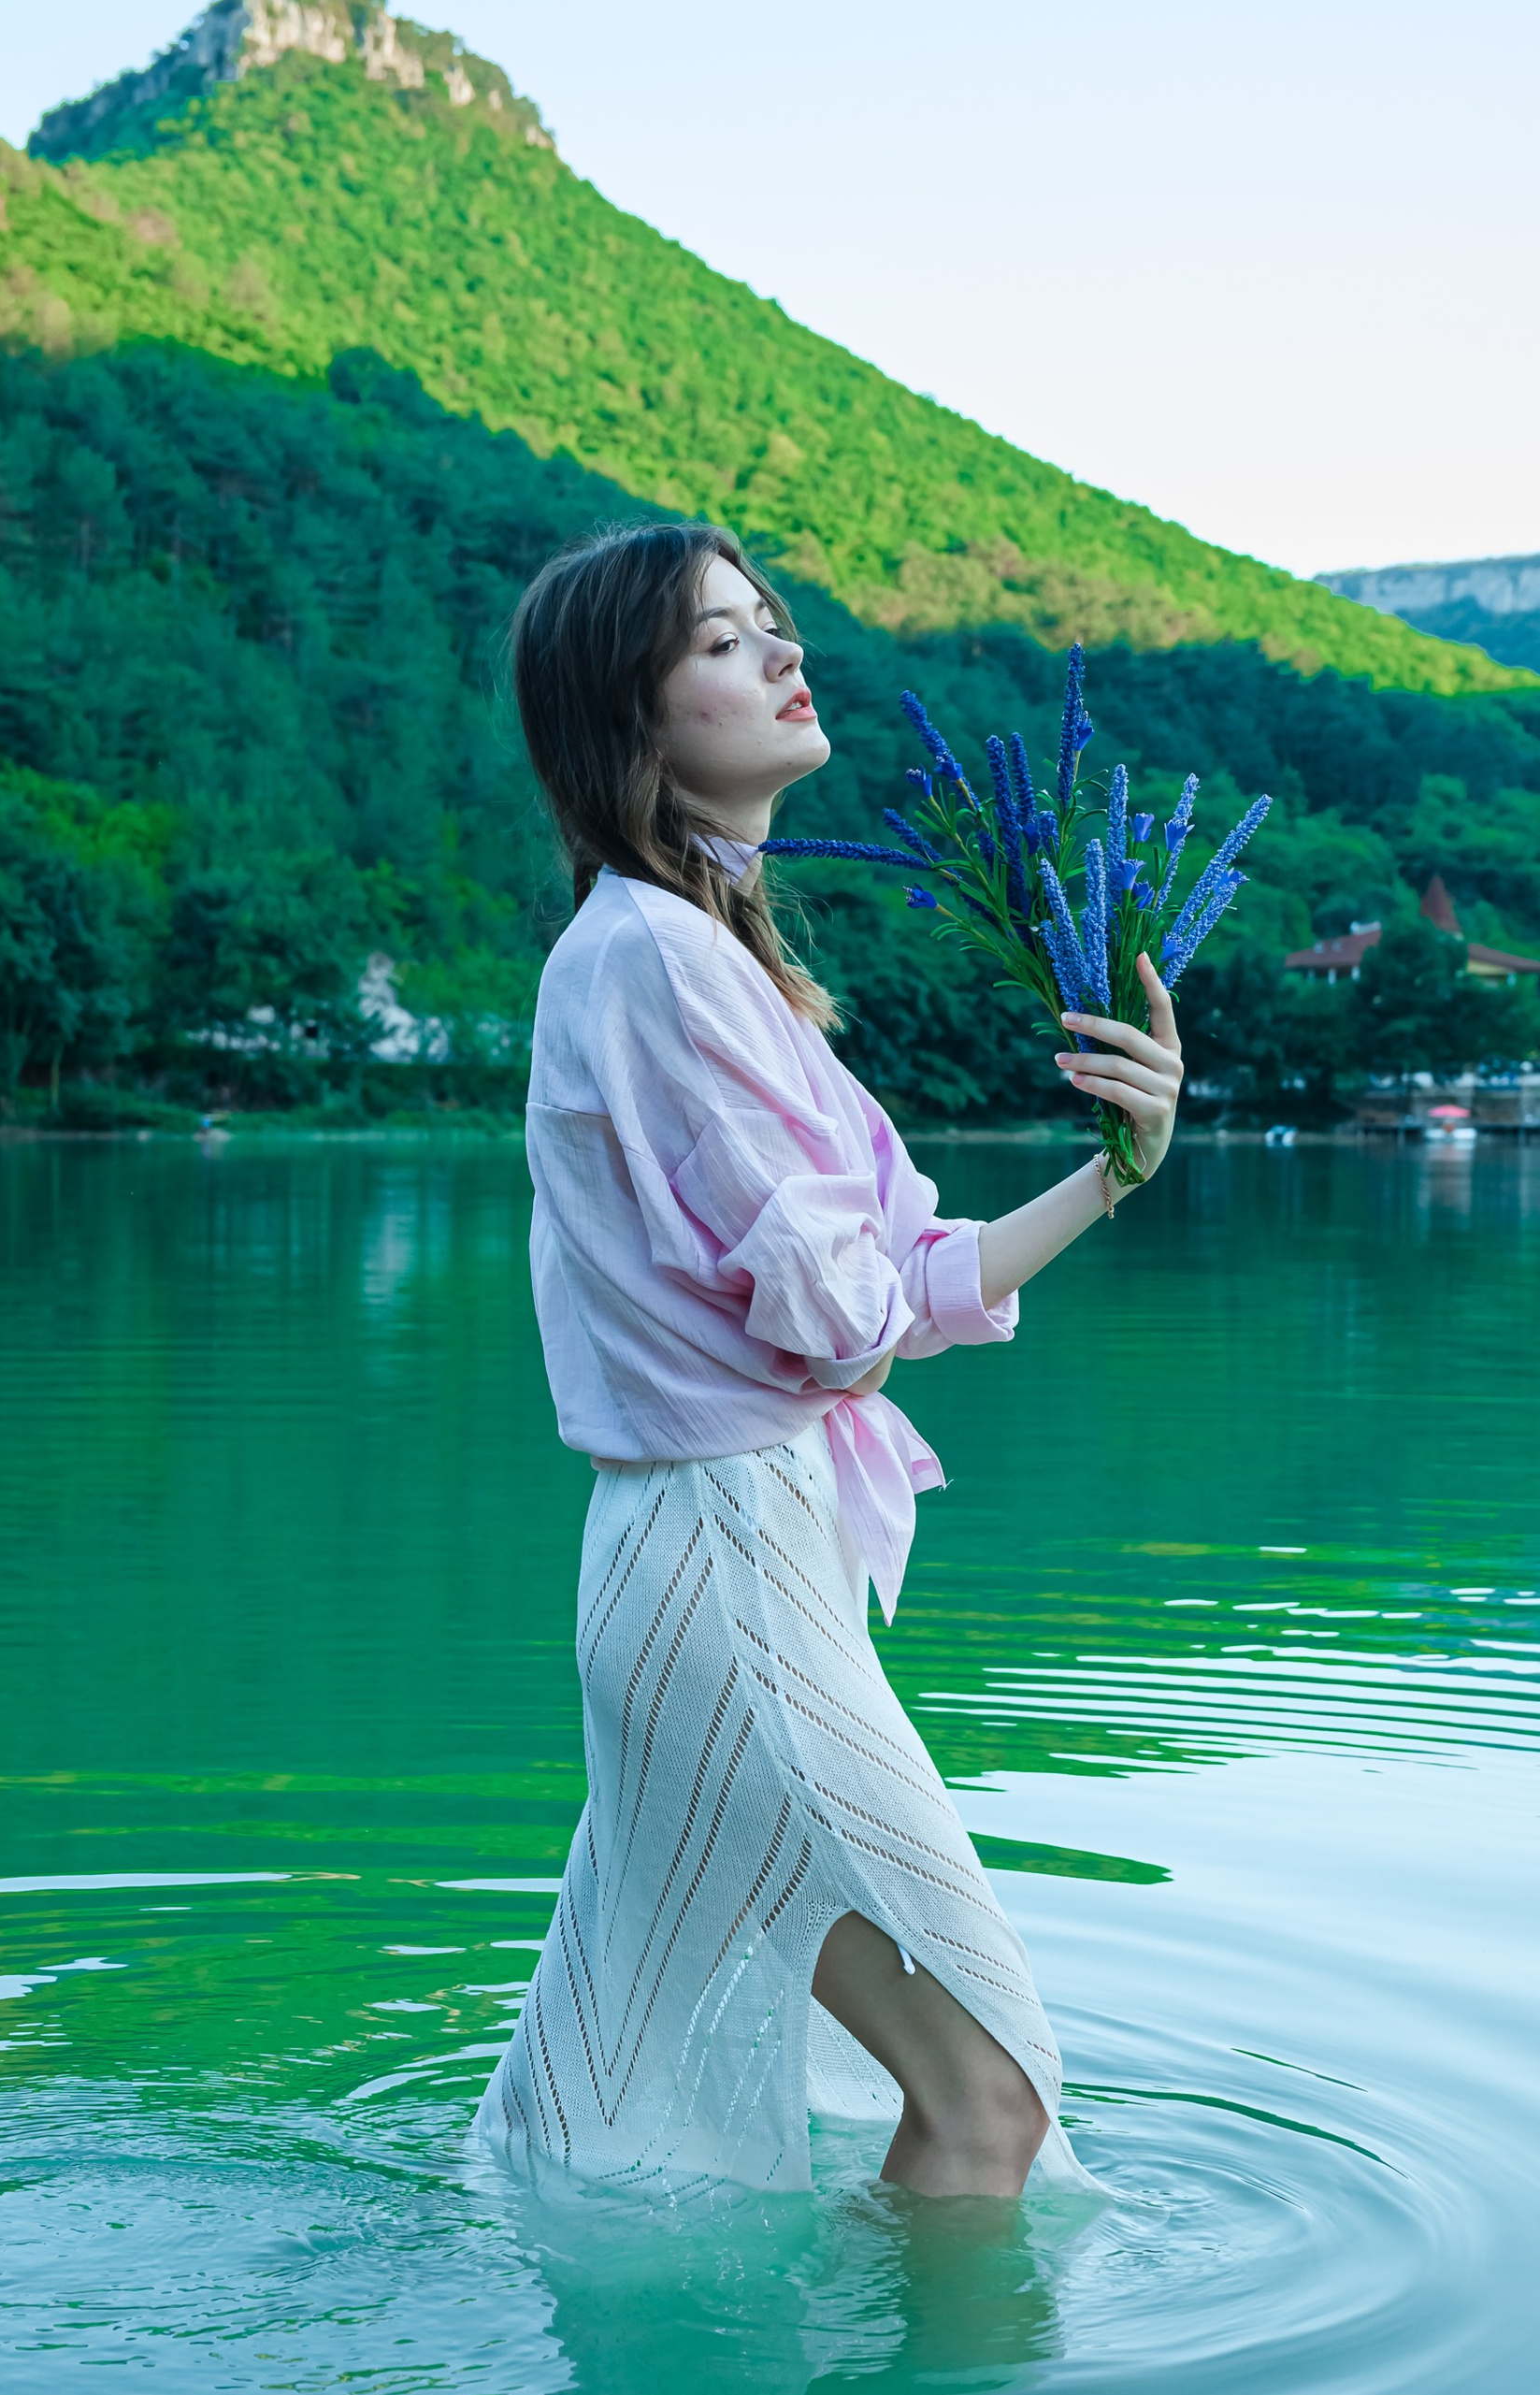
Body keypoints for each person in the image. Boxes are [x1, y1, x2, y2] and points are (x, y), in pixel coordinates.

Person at [472, 522, 1184, 2201]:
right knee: (987, 2094)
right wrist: (1082, 1187)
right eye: (725, 642)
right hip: (718, 1563)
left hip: (730, 1557)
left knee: (942, 2090)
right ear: (628, 720)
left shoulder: (700, 957)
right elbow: (850, 1314)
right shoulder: (653, 958)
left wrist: (1115, 1174)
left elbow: (885, 1289)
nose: (786, 656)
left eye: (776, 626)